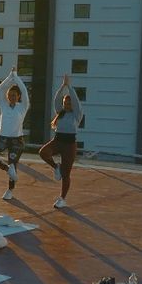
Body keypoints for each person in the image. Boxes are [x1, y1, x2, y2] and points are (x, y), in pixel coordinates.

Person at [0, 66, 30, 200]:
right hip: (2, 137)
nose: (11, 97)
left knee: (13, 163)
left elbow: (25, 91)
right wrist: (10, 76)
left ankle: (10, 190)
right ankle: (6, 168)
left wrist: (16, 77)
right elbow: (0, 89)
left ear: (18, 96)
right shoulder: (3, 104)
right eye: (10, 95)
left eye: (14, 95)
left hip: (17, 140)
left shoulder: (23, 106)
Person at [39, 74, 83, 208]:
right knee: (43, 152)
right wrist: (62, 87)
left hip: (69, 145)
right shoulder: (60, 112)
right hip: (58, 141)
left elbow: (75, 100)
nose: (67, 104)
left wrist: (69, 87)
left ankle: (62, 198)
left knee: (66, 174)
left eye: (69, 103)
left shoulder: (77, 115)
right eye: (65, 103)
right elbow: (56, 100)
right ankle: (55, 167)